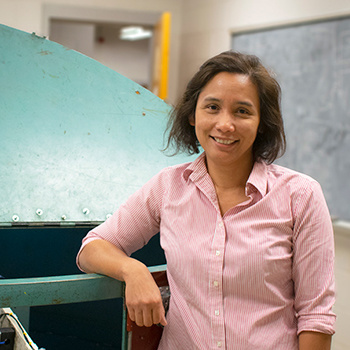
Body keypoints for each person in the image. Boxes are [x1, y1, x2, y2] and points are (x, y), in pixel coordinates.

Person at [77, 51, 336, 349]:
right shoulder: (168, 186)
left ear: (262, 122)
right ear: (192, 114)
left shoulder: (300, 195)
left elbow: (316, 316)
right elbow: (92, 248)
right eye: (212, 107)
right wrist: (132, 270)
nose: (225, 124)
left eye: (242, 111)